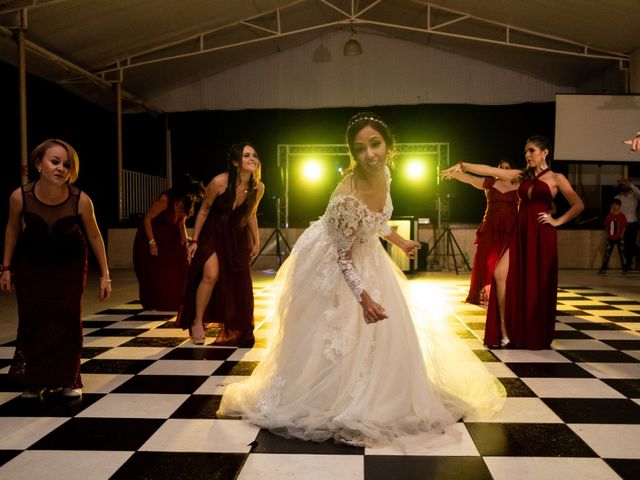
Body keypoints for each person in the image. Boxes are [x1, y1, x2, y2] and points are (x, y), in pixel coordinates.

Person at [217, 113, 504, 448]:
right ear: (352, 153)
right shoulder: (346, 196)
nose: (370, 154)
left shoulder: (386, 172)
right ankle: (330, 394)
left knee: (388, 330)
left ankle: (385, 390)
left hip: (365, 253)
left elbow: (375, 220)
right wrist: (363, 296)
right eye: (360, 148)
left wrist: (401, 242)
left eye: (375, 144)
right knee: (333, 329)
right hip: (330, 260)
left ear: (388, 145)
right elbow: (342, 257)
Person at [442, 135, 584, 349]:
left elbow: (578, 205)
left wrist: (556, 221)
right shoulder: (521, 176)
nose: (528, 155)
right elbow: (490, 170)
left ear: (545, 153)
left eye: (532, 151)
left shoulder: (556, 178)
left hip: (541, 235)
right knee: (499, 274)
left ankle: (532, 331)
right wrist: (463, 165)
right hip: (519, 231)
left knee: (537, 286)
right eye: (526, 151)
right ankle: (505, 330)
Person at [1, 139, 112, 399]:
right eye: (55, 161)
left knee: (67, 314)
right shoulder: (20, 196)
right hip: (32, 261)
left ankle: (68, 379)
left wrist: (105, 275)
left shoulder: (81, 200)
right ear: (38, 164)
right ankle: (35, 378)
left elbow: (95, 237)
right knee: (32, 315)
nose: (61, 168)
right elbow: (13, 229)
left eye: (67, 164)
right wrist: (6, 267)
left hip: (70, 261)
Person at [176, 142, 264, 346]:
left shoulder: (258, 187)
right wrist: (195, 240)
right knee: (211, 274)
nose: (252, 158)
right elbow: (205, 210)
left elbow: (250, 213)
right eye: (246, 155)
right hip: (213, 233)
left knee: (240, 283)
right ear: (235, 162)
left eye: (255, 155)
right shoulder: (218, 182)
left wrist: (256, 241)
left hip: (236, 237)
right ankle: (197, 322)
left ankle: (238, 326)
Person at [448, 159, 518, 306]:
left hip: (510, 229)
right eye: (501, 167)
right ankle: (479, 291)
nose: (504, 170)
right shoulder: (490, 183)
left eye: (507, 168)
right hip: (490, 227)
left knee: (506, 262)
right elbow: (471, 179)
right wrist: (455, 174)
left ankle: (505, 292)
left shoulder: (518, 186)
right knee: (483, 259)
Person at [133, 174, 204, 311]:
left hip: (171, 237)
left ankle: (178, 301)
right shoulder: (165, 199)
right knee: (157, 273)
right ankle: (159, 301)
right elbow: (147, 219)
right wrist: (151, 242)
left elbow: (180, 224)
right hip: (152, 237)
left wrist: (186, 241)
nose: (192, 197)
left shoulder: (185, 201)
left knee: (182, 265)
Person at [614, 178, 640, 270]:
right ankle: (627, 265)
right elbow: (615, 211)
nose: (624, 186)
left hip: (633, 222)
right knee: (624, 245)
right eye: (622, 185)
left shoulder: (634, 196)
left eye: (625, 185)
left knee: (631, 243)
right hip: (621, 224)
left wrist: (630, 184)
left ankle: (634, 259)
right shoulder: (617, 198)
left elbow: (639, 194)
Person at [598, 198, 628, 274]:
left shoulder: (622, 216)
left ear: (619, 206)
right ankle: (603, 268)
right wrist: (608, 235)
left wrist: (621, 235)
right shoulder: (609, 216)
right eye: (612, 204)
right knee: (607, 253)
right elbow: (606, 226)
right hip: (611, 238)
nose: (613, 206)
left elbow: (624, 226)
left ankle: (625, 269)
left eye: (615, 205)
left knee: (622, 253)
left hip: (619, 238)